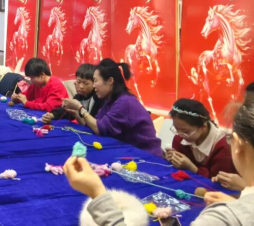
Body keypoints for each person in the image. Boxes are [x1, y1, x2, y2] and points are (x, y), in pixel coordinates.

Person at [63, 82, 254, 226]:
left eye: (95, 80)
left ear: (238, 144)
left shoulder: (222, 218)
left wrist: (97, 193)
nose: (91, 85)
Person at [63, 59, 161, 157]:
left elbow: (99, 129)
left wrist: (80, 108)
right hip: (128, 151)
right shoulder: (110, 101)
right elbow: (93, 126)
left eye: (95, 81)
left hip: (146, 155)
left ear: (110, 81)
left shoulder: (124, 102)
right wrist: (76, 113)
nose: (94, 85)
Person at [166, 99, 236, 178]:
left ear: (203, 127)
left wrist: (192, 168)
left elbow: (220, 180)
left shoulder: (223, 147)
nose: (180, 134)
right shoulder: (180, 138)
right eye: (176, 129)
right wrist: (173, 158)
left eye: (186, 131)